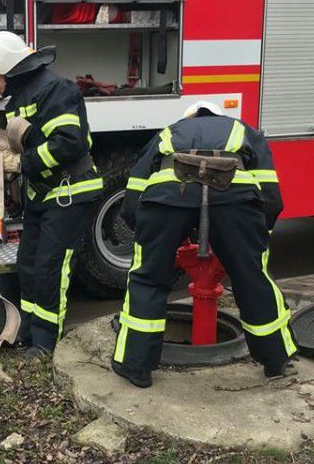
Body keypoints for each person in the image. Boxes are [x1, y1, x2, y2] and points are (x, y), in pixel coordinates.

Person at [112, 100, 296, 388]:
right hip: (235, 199)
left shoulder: (168, 133)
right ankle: (275, 361)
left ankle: (137, 367)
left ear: (190, 117)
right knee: (252, 277)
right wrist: (256, 236)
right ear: (219, 117)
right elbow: (271, 197)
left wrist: (150, 235)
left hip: (167, 198)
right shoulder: (243, 130)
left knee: (148, 278)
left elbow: (134, 195)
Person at [0, 31, 102, 357]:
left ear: (4, 65)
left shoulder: (54, 90)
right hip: (44, 194)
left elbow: (69, 143)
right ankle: (29, 330)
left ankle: (46, 341)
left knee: (49, 267)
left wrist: (21, 162)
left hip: (70, 192)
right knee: (29, 263)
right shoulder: (20, 97)